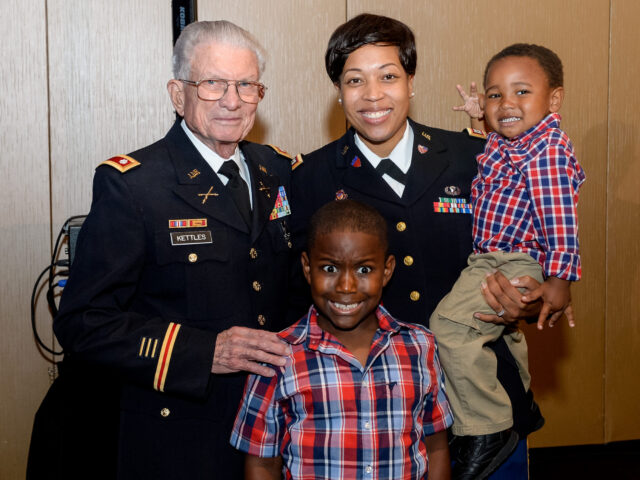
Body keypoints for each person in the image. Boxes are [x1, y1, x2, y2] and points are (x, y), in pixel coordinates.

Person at [27, 20, 293, 480]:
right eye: (212, 83)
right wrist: (203, 350)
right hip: (181, 433)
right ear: (178, 93)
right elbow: (83, 322)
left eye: (246, 85)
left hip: (276, 429)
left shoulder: (279, 171)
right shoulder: (134, 185)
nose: (232, 100)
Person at [286, 13, 545, 479]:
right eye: (354, 80)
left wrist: (530, 296)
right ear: (338, 92)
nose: (372, 95)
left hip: (487, 407)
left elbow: (529, 242)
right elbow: (298, 293)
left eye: (388, 76)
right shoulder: (310, 179)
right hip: (375, 415)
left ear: (411, 81)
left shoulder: (476, 157)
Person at [430, 43, 586, 478]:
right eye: (495, 94)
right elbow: (497, 162)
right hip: (495, 258)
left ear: (553, 99)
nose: (506, 104)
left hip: (514, 258)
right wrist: (481, 117)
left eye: (521, 92)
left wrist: (560, 278)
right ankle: (520, 405)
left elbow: (559, 214)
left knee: (449, 326)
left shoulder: (547, 149)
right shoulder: (515, 142)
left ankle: (489, 427)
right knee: (494, 327)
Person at [232, 199, 453, 480]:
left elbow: (435, 447)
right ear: (307, 268)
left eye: (364, 270)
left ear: (386, 270)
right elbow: (262, 464)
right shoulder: (276, 357)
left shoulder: (420, 346)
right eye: (329, 269)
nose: (346, 286)